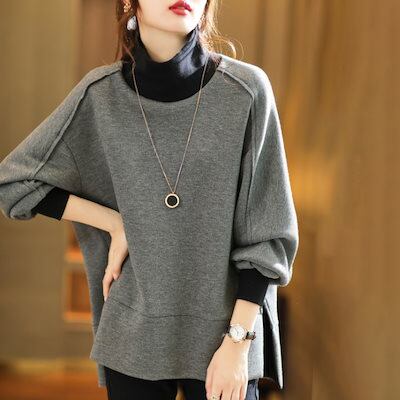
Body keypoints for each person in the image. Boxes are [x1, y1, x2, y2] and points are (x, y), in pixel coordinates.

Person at [0, 1, 299, 399]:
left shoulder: (245, 91)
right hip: (133, 334)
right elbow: (13, 183)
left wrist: (238, 342)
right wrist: (114, 223)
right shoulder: (100, 96)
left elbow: (269, 235)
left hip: (226, 335)